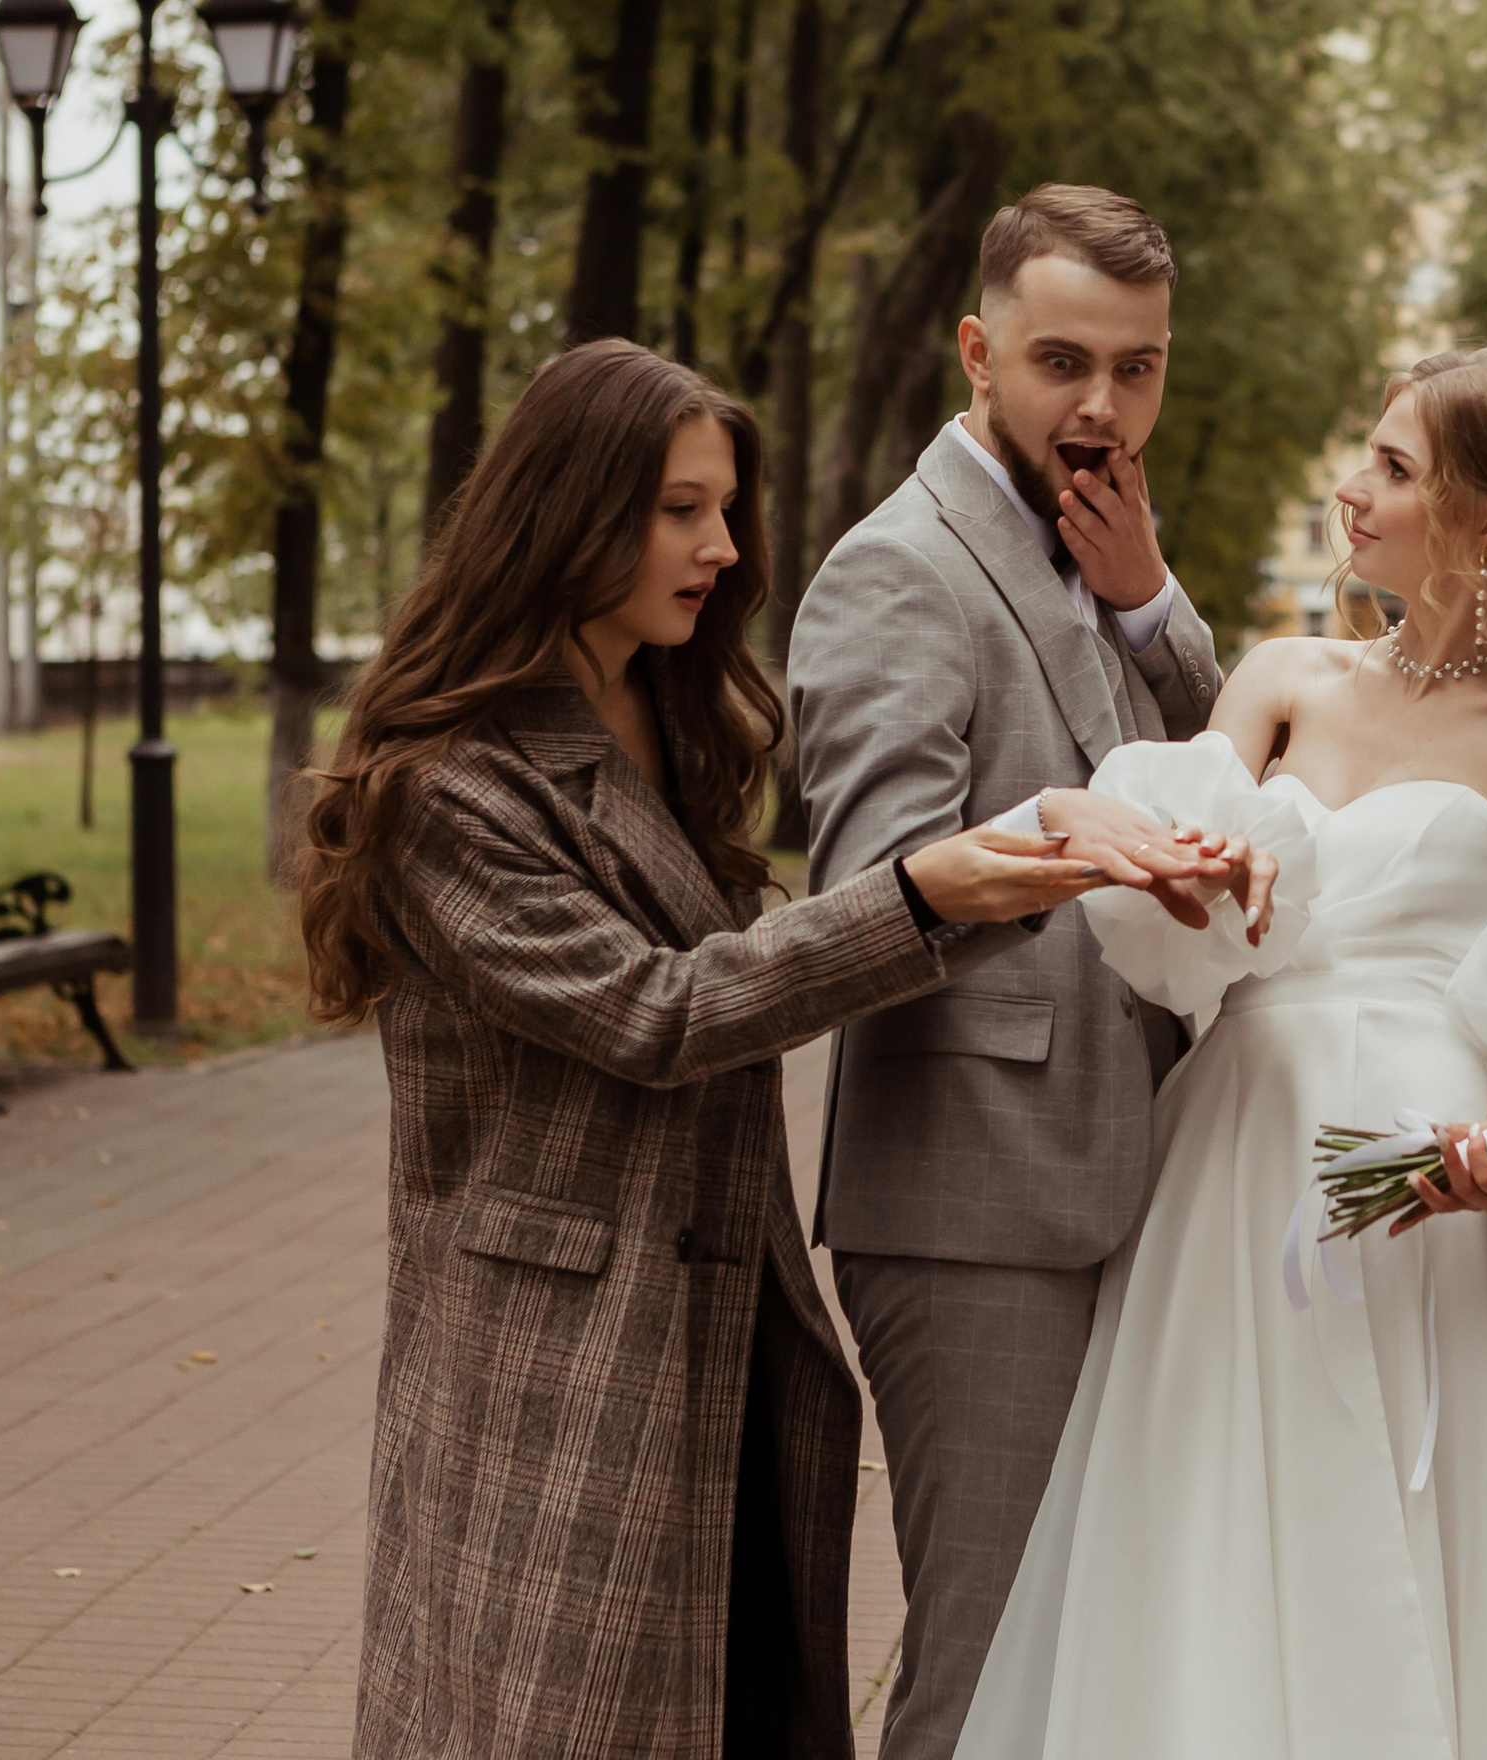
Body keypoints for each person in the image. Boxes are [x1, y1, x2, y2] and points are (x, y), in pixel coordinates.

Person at [299, 338, 1227, 1758]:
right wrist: (941, 886)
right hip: (555, 1351)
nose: (723, 548)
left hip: (724, 1311)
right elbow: (655, 1013)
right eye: (680, 509)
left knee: (725, 1708)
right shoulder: (450, 786)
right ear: (567, 510)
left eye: (723, 509)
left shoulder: (675, 718)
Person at [952, 343, 1487, 1759]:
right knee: (1218, 1512)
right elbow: (1164, 892)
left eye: (1391, 467)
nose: (1350, 491)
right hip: (1241, 1165)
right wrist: (1147, 857)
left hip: (1426, 1210)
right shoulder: (1284, 678)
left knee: (1424, 1537)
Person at [786, 184, 1246, 1760]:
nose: (1103, 408)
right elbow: (867, 900)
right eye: (1064, 363)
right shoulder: (897, 572)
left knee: (1105, 1648)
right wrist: (1074, 842)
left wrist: (1151, 604)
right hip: (979, 1207)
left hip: (1146, 1186)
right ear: (980, 353)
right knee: (989, 1665)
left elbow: (1214, 767)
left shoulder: (1101, 548)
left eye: (1139, 368)